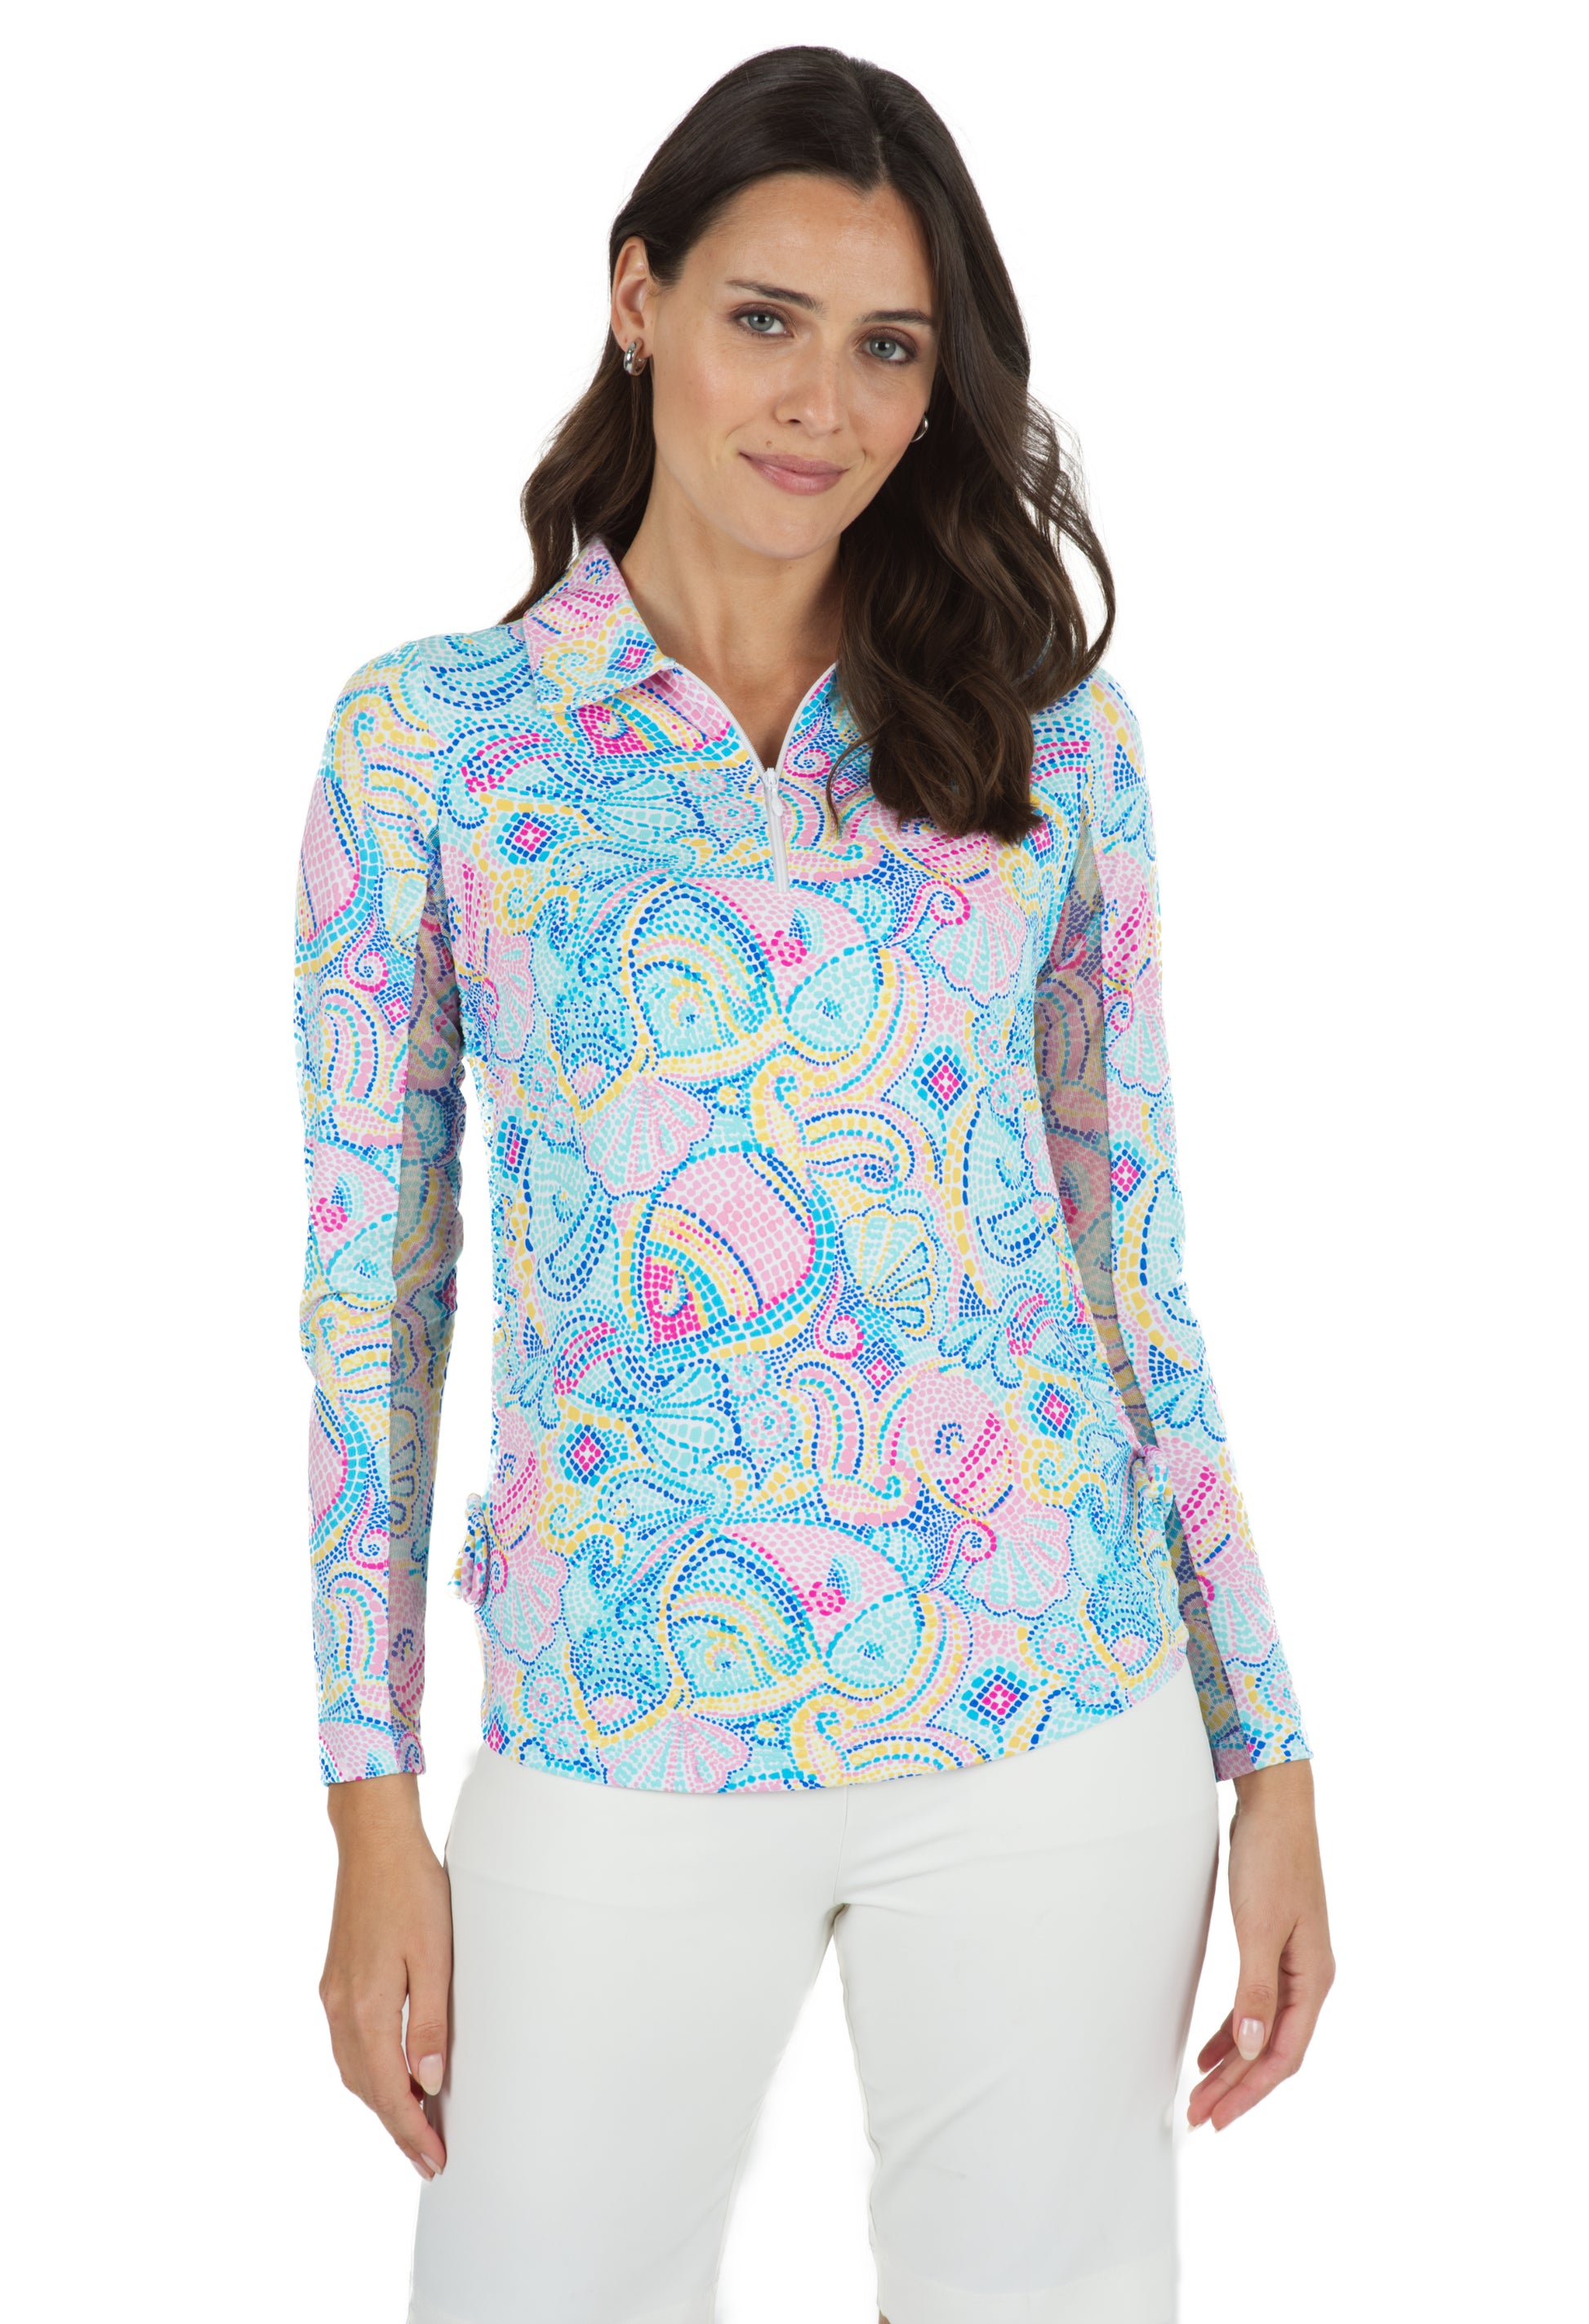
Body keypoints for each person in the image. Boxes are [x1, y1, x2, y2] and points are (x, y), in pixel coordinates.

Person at [293, 43, 1334, 2324]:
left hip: (1054, 1711)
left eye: (889, 348)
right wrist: (370, 1799)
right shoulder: (434, 745)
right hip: (619, 1725)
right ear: (637, 299)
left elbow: (1132, 1261)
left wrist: (1265, 1743)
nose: (821, 405)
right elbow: (372, 1303)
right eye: (766, 318)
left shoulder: (1046, 736)